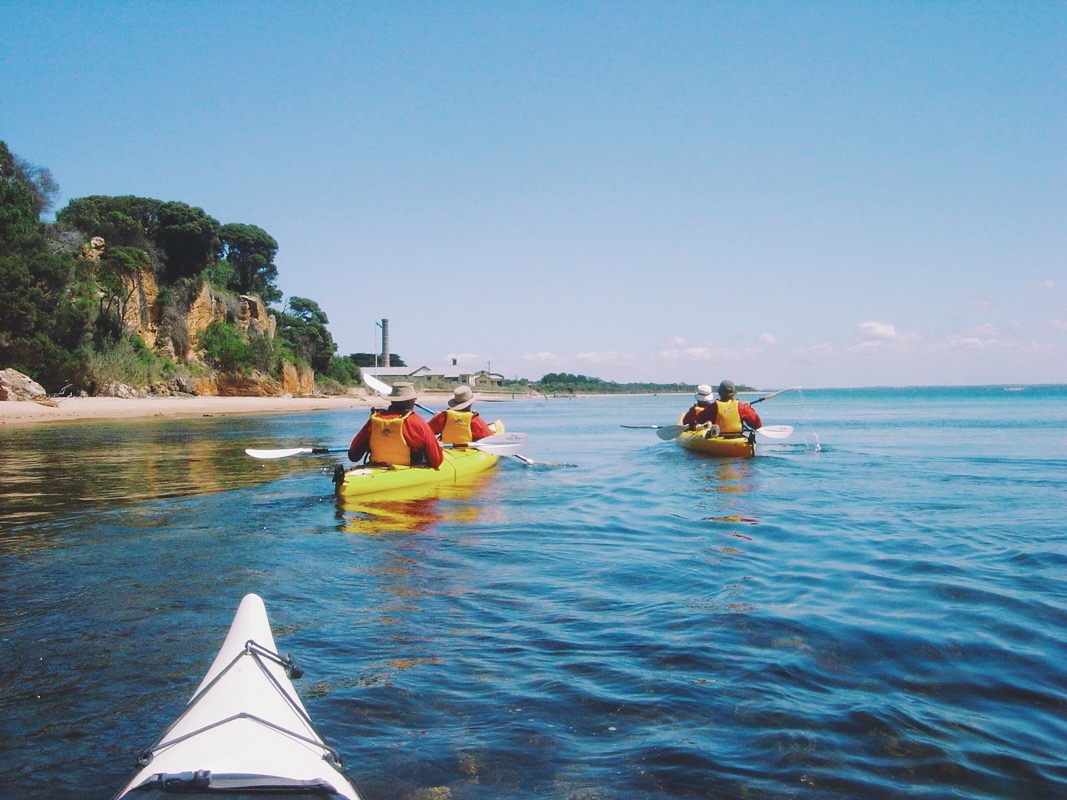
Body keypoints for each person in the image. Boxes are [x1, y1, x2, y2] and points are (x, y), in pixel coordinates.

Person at [348, 382, 443, 468]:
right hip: (408, 472)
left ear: (392, 400)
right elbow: (436, 461)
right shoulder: (417, 422)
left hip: (377, 469)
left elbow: (353, 456)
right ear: (411, 402)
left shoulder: (374, 421)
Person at [690, 380, 762, 436]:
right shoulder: (742, 407)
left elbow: (699, 420)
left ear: (719, 392)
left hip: (718, 438)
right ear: (734, 393)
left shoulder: (713, 407)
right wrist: (749, 408)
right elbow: (757, 425)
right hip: (738, 439)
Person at [428, 385, 495, 445]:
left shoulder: (443, 416)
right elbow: (488, 438)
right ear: (470, 403)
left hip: (446, 451)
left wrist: (435, 418)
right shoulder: (474, 419)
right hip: (466, 452)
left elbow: (426, 431)